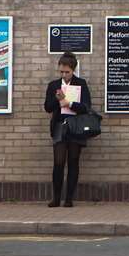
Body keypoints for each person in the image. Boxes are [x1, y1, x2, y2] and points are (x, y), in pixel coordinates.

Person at [42, 52, 92, 208]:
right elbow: (47, 107)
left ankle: (69, 198)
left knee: (73, 161)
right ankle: (56, 198)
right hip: (59, 126)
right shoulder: (54, 85)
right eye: (61, 72)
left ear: (73, 70)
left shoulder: (81, 84)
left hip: (76, 127)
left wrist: (68, 103)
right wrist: (58, 101)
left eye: (67, 72)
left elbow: (86, 107)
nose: (64, 75)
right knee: (58, 162)